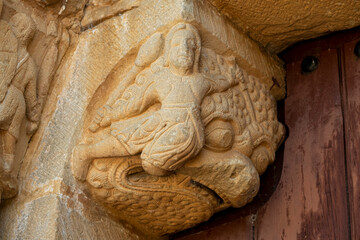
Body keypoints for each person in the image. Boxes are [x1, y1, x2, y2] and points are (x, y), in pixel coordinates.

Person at [72, 23, 238, 180]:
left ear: (197, 53)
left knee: (159, 158)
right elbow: (135, 105)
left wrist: (232, 77)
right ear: (168, 52)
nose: (184, 49)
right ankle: (86, 152)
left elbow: (220, 83)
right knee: (131, 139)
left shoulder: (201, 80)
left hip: (192, 131)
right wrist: (109, 116)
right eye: (177, 44)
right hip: (163, 123)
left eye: (191, 45)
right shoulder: (160, 79)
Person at [0, 13, 39, 174]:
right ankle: (8, 167)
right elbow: (30, 96)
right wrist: (34, 118)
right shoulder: (30, 63)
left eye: (13, 26)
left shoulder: (5, 52)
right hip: (19, 103)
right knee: (10, 135)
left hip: (5, 96)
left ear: (21, 31)